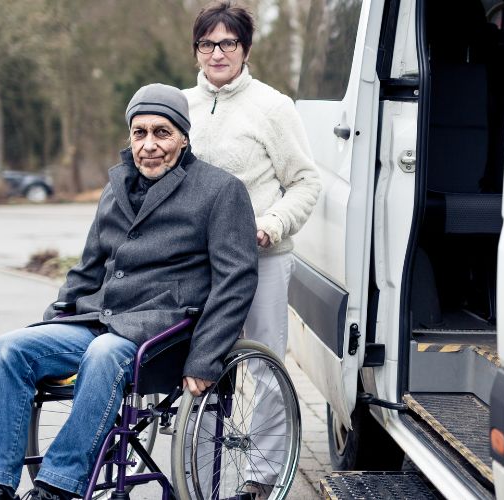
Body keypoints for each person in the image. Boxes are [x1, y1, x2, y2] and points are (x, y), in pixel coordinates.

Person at [0, 84, 259, 500]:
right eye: (140, 133)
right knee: (11, 348)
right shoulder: (116, 187)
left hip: (166, 336)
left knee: (104, 354)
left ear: (184, 137)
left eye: (162, 132)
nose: (150, 145)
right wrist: (56, 318)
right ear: (130, 138)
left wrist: (207, 357)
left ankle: (59, 487)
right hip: (101, 321)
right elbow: (87, 268)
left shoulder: (220, 190)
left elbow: (236, 281)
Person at [183, 2, 321, 495]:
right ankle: (196, 476)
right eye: (207, 44)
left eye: (228, 44)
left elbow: (305, 182)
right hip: (197, 264)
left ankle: (261, 480)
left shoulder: (273, 106)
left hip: (261, 257)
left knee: (262, 367)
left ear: (244, 49)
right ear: (196, 49)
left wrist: (272, 224)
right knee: (199, 366)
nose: (216, 53)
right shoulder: (181, 106)